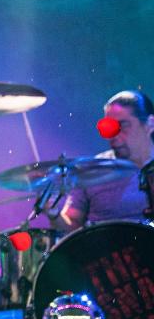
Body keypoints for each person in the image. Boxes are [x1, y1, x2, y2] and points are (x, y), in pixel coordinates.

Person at [56, 89, 154, 229]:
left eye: (123, 125)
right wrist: (53, 213)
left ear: (150, 124)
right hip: (101, 248)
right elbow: (72, 225)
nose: (114, 135)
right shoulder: (90, 170)